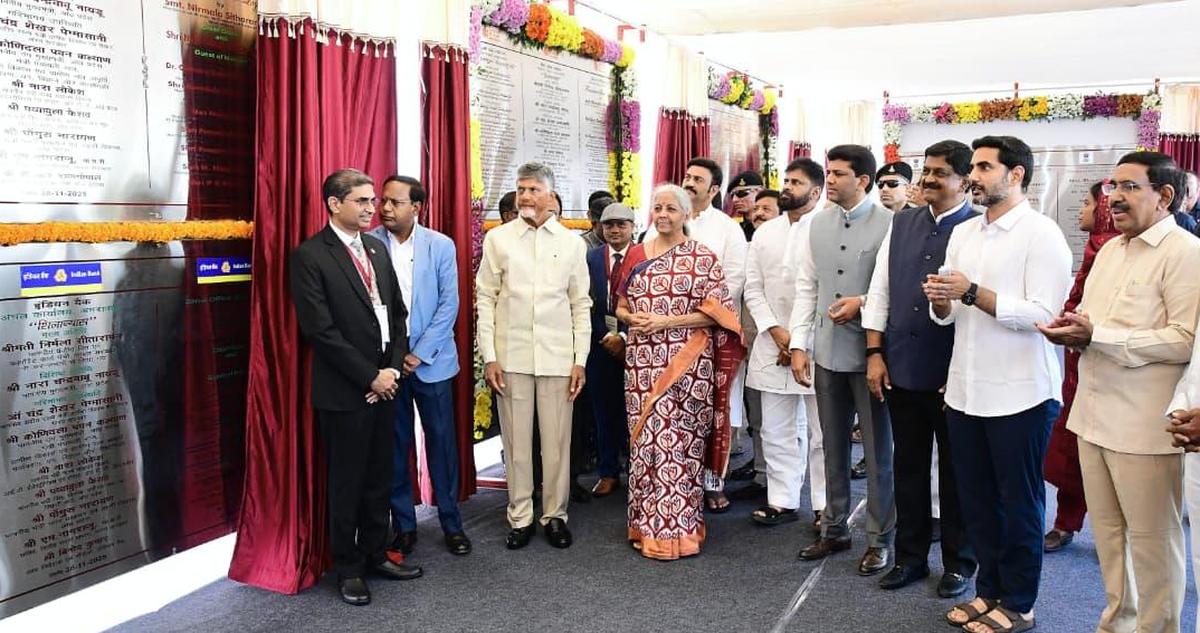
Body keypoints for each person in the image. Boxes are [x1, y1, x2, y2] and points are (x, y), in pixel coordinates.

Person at [1040, 152, 1200, 633]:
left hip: (1146, 426)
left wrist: (1099, 336)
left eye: (1129, 187)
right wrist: (1071, 329)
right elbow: (1093, 321)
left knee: (1153, 542)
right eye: (1113, 187)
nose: (1114, 197)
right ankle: (1116, 623)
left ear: (1165, 196)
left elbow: (1186, 339)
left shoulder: (1186, 253)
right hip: (1092, 416)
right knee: (1109, 538)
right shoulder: (1110, 250)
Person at [926, 136, 1072, 633]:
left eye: (985, 167)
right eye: (974, 166)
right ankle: (988, 591)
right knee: (976, 501)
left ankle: (1020, 602)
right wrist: (942, 301)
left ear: (1016, 176)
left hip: (1021, 394)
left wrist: (970, 292)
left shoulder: (1042, 233)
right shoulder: (965, 233)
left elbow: (1043, 316)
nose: (973, 174)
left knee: (1020, 504)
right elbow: (947, 315)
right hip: (966, 390)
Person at [290, 168, 422, 606]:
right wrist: (370, 376)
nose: (373, 208)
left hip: (386, 386)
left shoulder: (375, 248)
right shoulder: (311, 256)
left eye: (373, 201)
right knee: (346, 483)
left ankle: (374, 552)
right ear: (334, 204)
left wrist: (392, 374)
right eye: (363, 201)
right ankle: (347, 567)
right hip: (346, 392)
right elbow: (321, 332)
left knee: (379, 478)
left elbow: (397, 315)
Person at [861, 140, 978, 597]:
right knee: (907, 466)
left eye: (939, 173)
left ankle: (958, 564)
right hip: (902, 366)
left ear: (964, 181)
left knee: (954, 472)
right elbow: (880, 289)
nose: (928, 179)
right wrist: (875, 352)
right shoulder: (903, 221)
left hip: (954, 374)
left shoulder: (974, 228)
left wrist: (964, 366)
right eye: (925, 171)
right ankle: (911, 558)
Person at [617, 183, 744, 560]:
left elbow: (719, 313)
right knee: (648, 445)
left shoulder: (702, 257)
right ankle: (647, 525)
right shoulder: (637, 255)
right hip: (641, 362)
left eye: (671, 209)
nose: (663, 215)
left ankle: (680, 531)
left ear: (686, 214)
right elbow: (620, 305)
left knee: (679, 445)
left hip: (688, 361)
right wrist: (632, 319)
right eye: (657, 208)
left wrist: (667, 322)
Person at [790, 144, 896, 577]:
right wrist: (799, 343)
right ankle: (833, 528)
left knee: (877, 453)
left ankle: (879, 539)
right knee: (830, 445)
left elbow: (897, 289)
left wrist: (862, 302)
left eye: (837, 174)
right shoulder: (816, 224)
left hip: (873, 356)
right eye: (828, 172)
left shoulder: (892, 224)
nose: (828, 180)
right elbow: (806, 287)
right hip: (828, 351)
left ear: (863, 181)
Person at [476, 162, 591, 550]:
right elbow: (485, 299)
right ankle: (520, 516)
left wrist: (581, 360)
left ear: (550, 196)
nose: (525, 197)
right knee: (517, 441)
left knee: (557, 442)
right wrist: (489, 356)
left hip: (560, 358)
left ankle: (555, 515)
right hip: (512, 357)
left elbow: (581, 305)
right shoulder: (499, 240)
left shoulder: (572, 243)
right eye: (520, 189)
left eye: (532, 190)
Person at [367, 175, 470, 557]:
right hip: (387, 365)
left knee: (441, 443)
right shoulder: (369, 242)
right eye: (384, 202)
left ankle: (451, 522)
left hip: (432, 361)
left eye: (396, 202)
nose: (386, 209)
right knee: (394, 446)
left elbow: (449, 305)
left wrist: (419, 352)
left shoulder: (440, 245)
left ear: (417, 208)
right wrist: (395, 358)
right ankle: (404, 526)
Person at [642, 157, 748, 512]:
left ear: (714, 189)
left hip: (709, 335)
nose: (689, 181)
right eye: (686, 176)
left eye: (697, 178)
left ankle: (713, 482)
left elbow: (732, 281)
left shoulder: (727, 229)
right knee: (666, 416)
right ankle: (668, 484)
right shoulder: (651, 233)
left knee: (710, 413)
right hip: (657, 345)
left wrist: (696, 314)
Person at [742, 158, 825, 527]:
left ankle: (825, 505)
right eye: (786, 180)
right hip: (769, 339)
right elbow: (753, 288)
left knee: (822, 431)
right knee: (775, 428)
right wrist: (775, 331)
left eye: (797, 182)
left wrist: (798, 341)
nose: (788, 187)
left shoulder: (826, 229)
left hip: (816, 344)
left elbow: (826, 291)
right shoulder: (765, 232)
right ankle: (782, 499)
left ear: (816, 191)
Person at [1041, 181, 1120, 553]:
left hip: (1118, 365)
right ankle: (1066, 522)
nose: (1081, 211)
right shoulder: (1096, 248)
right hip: (1079, 362)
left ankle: (1116, 534)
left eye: (1088, 204)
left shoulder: (1118, 251)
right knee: (1074, 441)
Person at [585, 202, 644, 497]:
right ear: (600, 228)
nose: (615, 230)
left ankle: (639, 470)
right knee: (603, 410)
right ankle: (608, 472)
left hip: (637, 345)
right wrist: (605, 337)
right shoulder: (591, 257)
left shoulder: (645, 256)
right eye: (609, 225)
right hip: (599, 346)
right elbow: (584, 301)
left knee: (636, 411)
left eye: (622, 224)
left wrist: (623, 335)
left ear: (633, 227)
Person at [728, 169, 764, 236]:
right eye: (732, 195)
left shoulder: (773, 225)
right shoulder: (735, 230)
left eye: (741, 193)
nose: (734, 200)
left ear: (759, 192)